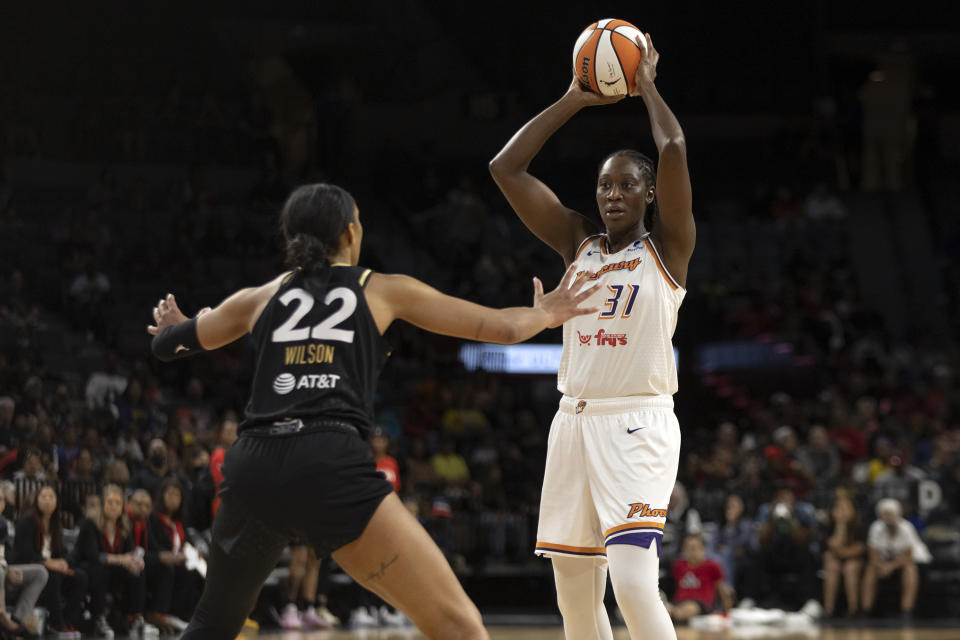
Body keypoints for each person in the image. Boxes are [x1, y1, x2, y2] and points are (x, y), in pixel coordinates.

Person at [146, 182, 600, 639]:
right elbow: (500, 327)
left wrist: (177, 325)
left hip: (253, 466)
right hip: (328, 462)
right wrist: (544, 313)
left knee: (211, 625)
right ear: (350, 232)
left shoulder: (260, 296)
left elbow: (170, 344)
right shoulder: (380, 289)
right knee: (461, 627)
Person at [489, 31, 694, 639]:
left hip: (637, 422)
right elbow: (506, 168)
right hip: (572, 423)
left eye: (627, 184)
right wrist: (573, 99)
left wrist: (647, 86)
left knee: (633, 582)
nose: (612, 194)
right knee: (575, 598)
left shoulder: (668, 251)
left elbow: (675, 145)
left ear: (650, 194)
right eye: (605, 185)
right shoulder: (578, 242)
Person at [12, 484, 88, 639]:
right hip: (30, 570)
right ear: (36, 500)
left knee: (80, 577)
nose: (47, 500)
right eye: (43, 497)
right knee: (52, 574)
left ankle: (68, 620)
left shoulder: (56, 524)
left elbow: (61, 553)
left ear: (56, 501)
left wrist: (64, 563)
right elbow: (24, 554)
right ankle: (56, 623)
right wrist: (50, 563)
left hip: (52, 569)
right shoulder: (27, 521)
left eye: (51, 497)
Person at [71, 485, 147, 637]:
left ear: (122, 507)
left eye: (117, 503)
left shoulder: (124, 526)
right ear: (103, 504)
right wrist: (122, 559)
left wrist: (136, 561)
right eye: (110, 502)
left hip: (113, 569)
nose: (113, 506)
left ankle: (135, 617)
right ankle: (99, 619)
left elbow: (130, 552)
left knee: (136, 572)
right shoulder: (90, 524)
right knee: (101, 570)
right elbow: (93, 556)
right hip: (88, 569)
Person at [862, 498, 923, 619]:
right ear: (880, 515)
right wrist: (881, 566)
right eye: (885, 514)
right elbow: (873, 555)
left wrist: (890, 567)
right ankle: (865, 609)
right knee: (870, 569)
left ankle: (907, 610)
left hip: (903, 563)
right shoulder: (876, 527)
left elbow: (908, 556)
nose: (888, 517)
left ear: (898, 514)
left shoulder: (906, 527)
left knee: (910, 570)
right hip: (882, 562)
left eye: (891, 514)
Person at [0, 487, 48, 636]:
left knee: (40, 573)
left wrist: (8, 570)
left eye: (1, 499)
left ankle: (18, 620)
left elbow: (3, 555)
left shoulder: (2, 523)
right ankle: (2, 618)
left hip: (3, 570)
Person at [667, 535, 733, 624]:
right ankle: (671, 615)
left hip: (701, 604)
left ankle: (672, 616)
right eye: (687, 548)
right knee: (666, 607)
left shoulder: (712, 566)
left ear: (703, 549)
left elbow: (721, 589)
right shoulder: (678, 565)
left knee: (690, 607)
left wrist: (728, 613)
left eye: (694, 548)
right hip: (679, 602)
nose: (690, 552)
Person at [822, 493, 865, 618]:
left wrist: (841, 552)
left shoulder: (860, 526)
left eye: (846, 508)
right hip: (836, 560)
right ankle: (828, 609)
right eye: (839, 508)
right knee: (832, 565)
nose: (842, 512)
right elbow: (832, 546)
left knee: (850, 568)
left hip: (856, 560)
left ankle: (853, 609)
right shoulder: (828, 526)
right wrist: (840, 526)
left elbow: (858, 550)